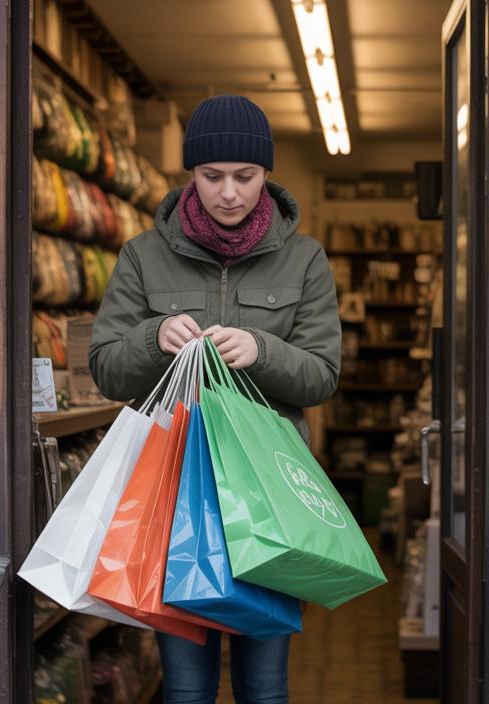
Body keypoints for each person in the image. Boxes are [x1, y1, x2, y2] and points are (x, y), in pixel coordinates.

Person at [89, 94, 341, 704]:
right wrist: (153, 338)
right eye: (212, 176)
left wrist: (263, 349)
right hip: (175, 496)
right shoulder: (143, 255)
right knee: (185, 688)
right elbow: (105, 370)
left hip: (270, 497)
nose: (228, 192)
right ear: (190, 175)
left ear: (266, 175)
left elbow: (323, 376)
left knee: (264, 685)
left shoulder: (304, 258)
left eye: (245, 176)